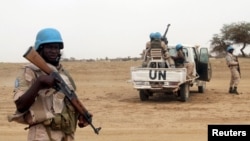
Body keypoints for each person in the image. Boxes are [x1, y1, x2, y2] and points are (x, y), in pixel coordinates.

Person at [8, 28, 91, 141]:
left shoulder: (63, 73)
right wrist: (39, 83)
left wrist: (82, 113)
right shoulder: (30, 71)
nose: (53, 51)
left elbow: (69, 101)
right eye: (49, 47)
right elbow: (21, 106)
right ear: (40, 49)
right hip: (42, 133)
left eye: (56, 47)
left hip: (66, 133)